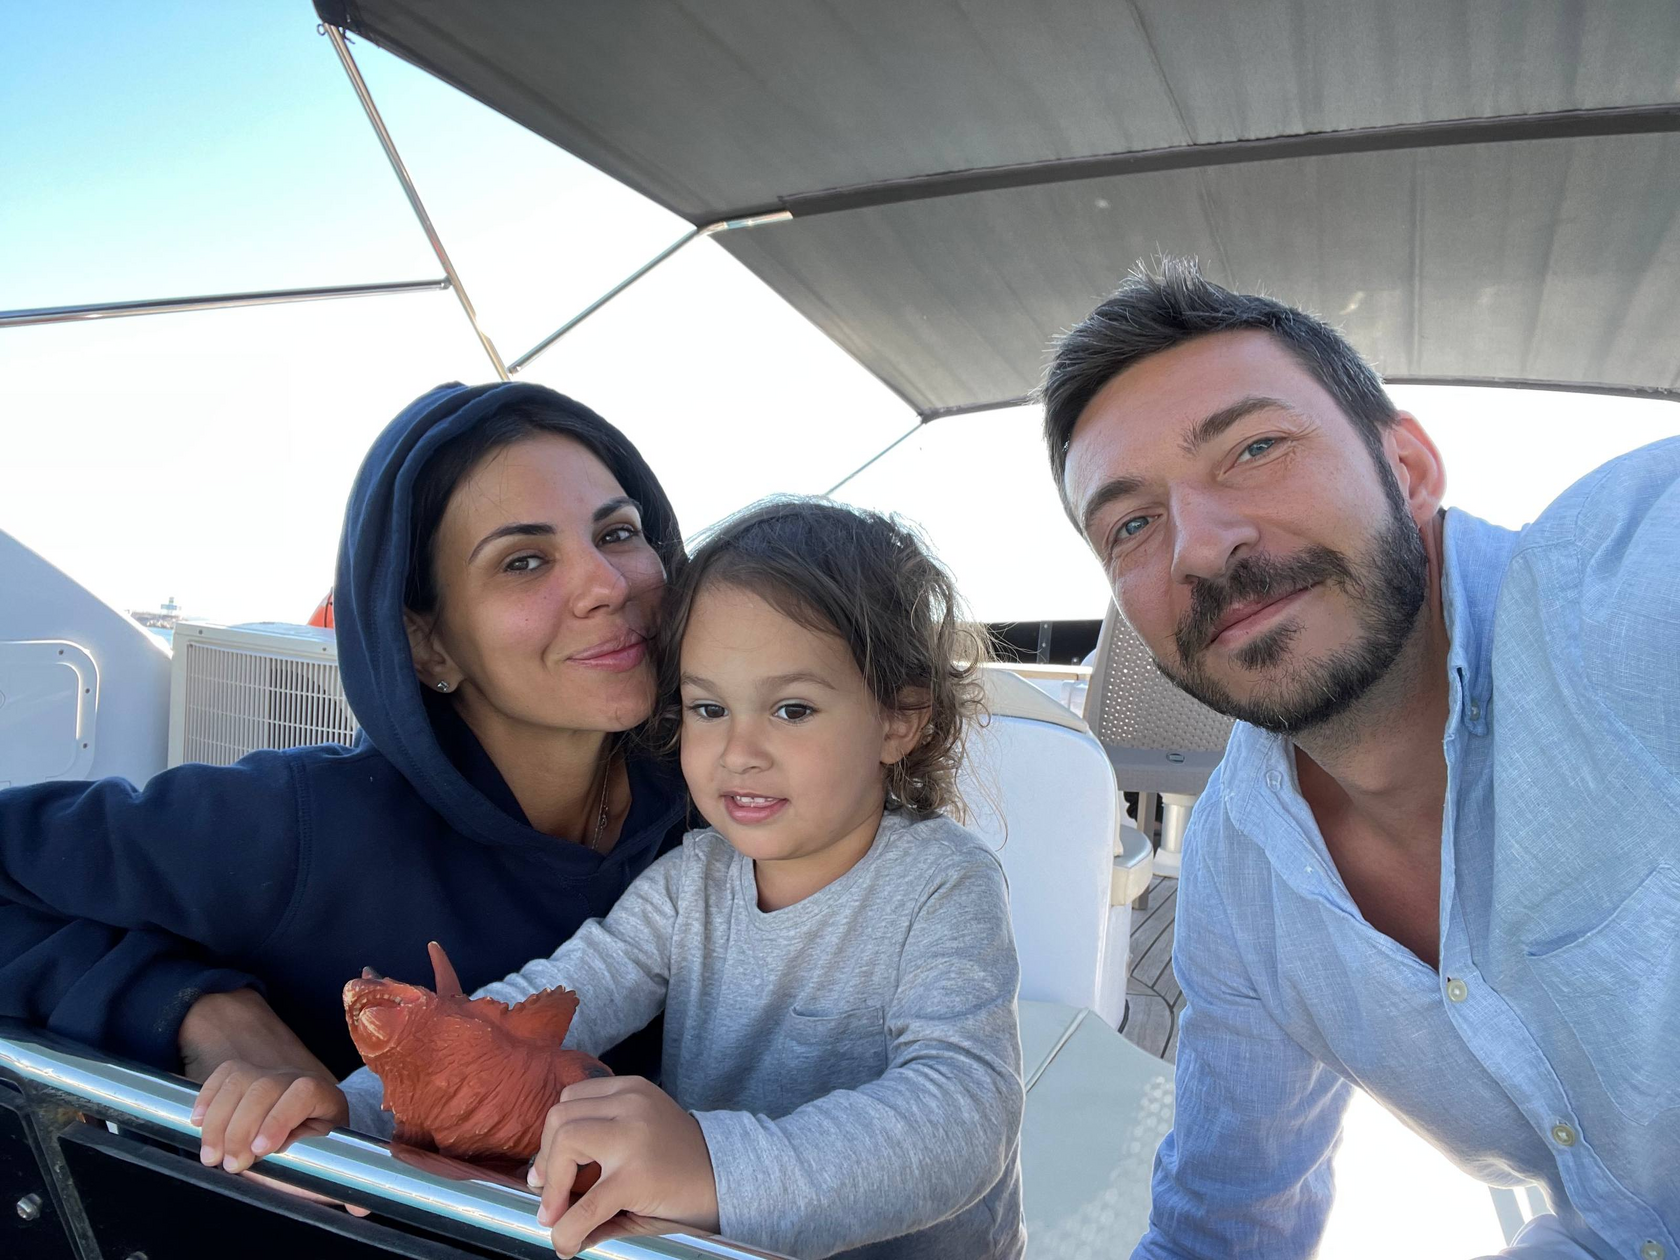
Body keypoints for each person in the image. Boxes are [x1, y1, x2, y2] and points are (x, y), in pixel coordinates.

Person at [193, 498, 1028, 1260]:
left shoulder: (943, 883)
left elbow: (966, 1114)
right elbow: (551, 1001)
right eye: (708, 708)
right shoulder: (692, 880)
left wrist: (712, 1166)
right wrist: (358, 1110)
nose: (738, 751)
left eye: (792, 709)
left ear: (899, 719)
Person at [1044, 259, 1677, 1259]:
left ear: (1410, 470)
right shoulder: (1240, 873)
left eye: (1255, 448)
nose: (1199, 549)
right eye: (1131, 524)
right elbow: (1224, 1225)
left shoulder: (1626, 594)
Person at [0, 382, 691, 1122]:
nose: (606, 585)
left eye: (618, 533)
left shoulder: (725, 804)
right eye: (523, 561)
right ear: (425, 645)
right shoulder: (301, 824)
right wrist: (194, 1007)